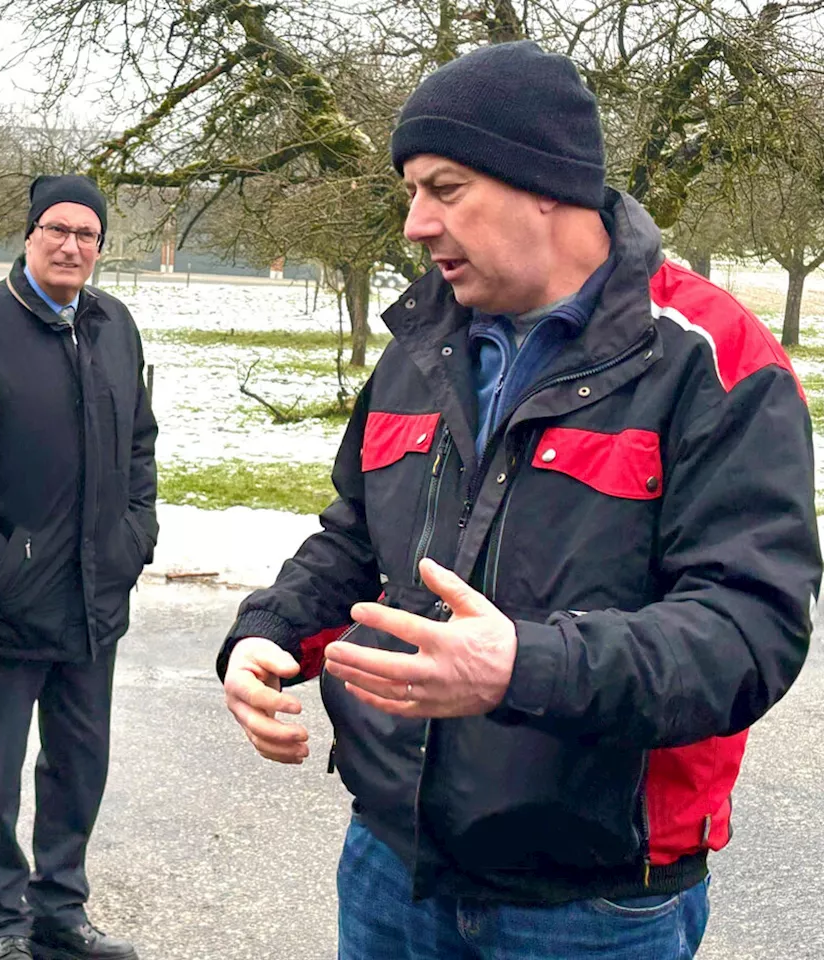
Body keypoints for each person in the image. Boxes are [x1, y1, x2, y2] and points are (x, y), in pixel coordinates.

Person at [219, 41, 820, 960]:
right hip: (392, 865)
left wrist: (523, 667)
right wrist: (266, 629)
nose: (416, 224)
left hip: (591, 905)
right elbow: (355, 535)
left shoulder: (712, 361)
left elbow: (748, 631)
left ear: (547, 182)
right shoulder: (423, 341)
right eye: (411, 191)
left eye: (446, 188)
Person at [0, 175, 157, 960]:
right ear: (28, 235)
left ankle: (61, 908)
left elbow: (139, 444)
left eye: (87, 234)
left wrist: (135, 536)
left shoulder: (116, 325)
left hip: (96, 596)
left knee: (79, 763)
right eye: (57, 229)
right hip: (8, 601)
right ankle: (3, 922)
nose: (71, 246)